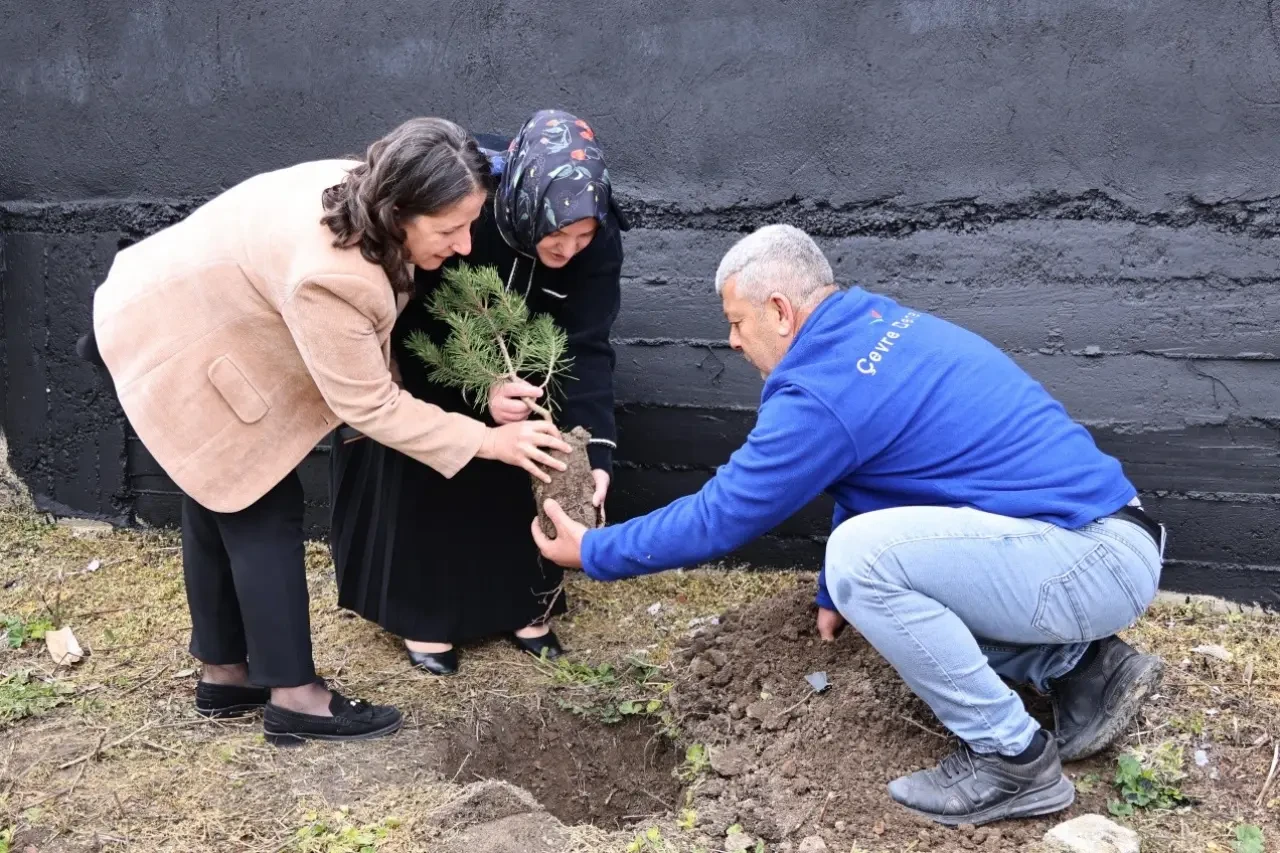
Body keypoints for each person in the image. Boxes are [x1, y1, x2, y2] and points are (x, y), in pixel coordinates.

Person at [533, 224, 1167, 827]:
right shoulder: (871, 322)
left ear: (779, 311)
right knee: (863, 571)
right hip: (1094, 540)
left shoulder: (822, 389)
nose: (731, 340)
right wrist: (836, 595)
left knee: (862, 559)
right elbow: (877, 474)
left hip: (1086, 558)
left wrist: (595, 549)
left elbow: (722, 515)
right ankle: (1082, 667)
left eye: (736, 321)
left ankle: (1013, 760)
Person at [87, 117, 571, 745]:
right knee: (259, 501)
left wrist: (464, 391)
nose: (465, 246)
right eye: (450, 229)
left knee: (218, 496)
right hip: (174, 339)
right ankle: (296, 700)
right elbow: (369, 404)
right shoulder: (334, 272)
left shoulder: (359, 194)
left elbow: (366, 345)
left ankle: (226, 675)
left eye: (471, 224)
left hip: (183, 311)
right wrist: (488, 440)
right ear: (401, 209)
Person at [329, 109, 626, 675]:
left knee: (538, 448)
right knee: (435, 450)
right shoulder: (469, 207)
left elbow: (587, 345)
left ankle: (523, 605)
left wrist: (597, 455)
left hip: (534, 363)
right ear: (518, 205)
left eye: (582, 238)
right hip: (438, 354)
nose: (567, 251)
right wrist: (479, 388)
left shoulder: (596, 234)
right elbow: (412, 317)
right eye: (555, 236)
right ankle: (425, 614)